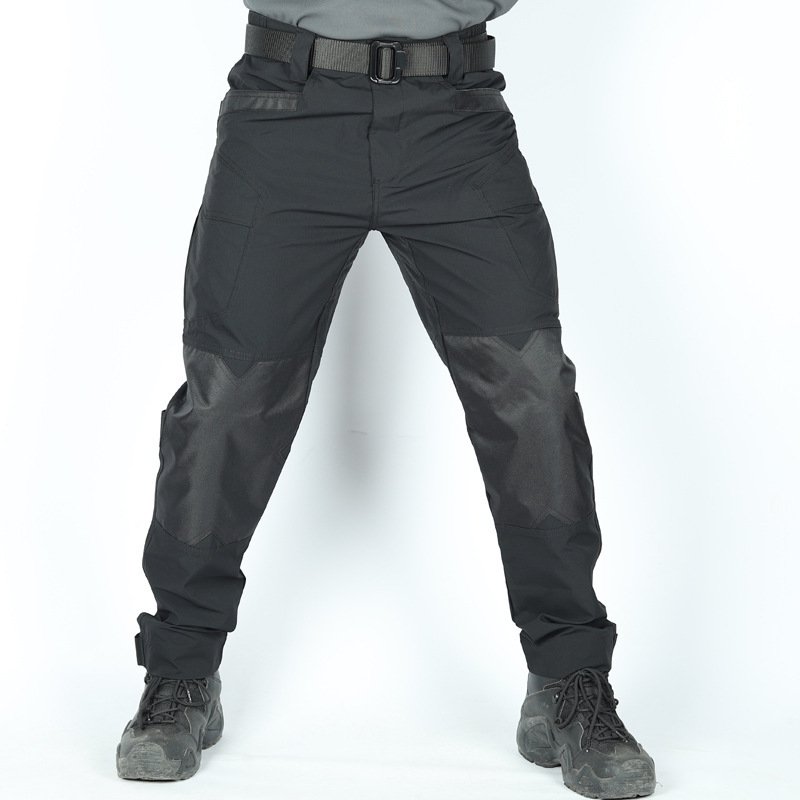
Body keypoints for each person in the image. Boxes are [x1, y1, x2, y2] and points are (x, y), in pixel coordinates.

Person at [115, 3, 657, 797]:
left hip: (456, 117)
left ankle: (568, 682)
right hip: (285, 110)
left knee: (532, 390)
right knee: (229, 398)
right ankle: (180, 675)